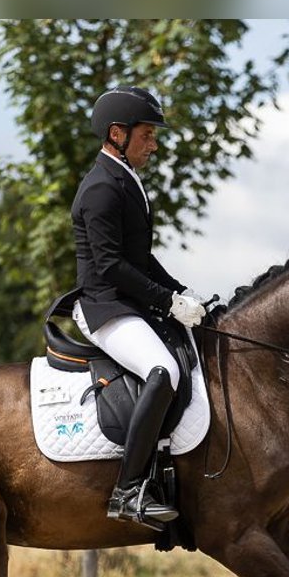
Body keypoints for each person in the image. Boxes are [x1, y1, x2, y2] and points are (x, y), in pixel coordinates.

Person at [70, 85, 207, 526]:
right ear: (117, 134)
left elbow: (141, 258)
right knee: (162, 370)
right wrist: (166, 301)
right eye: (147, 135)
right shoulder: (101, 189)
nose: (154, 143)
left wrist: (182, 294)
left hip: (130, 302)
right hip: (104, 307)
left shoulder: (125, 180)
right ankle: (127, 492)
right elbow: (110, 266)